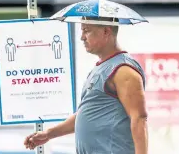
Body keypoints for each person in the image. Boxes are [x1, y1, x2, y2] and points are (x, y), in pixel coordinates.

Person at [24, 17, 148, 154]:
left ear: (106, 31)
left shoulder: (124, 70)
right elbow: (87, 113)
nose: (82, 37)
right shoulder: (102, 67)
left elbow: (139, 118)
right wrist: (48, 134)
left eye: (86, 31)